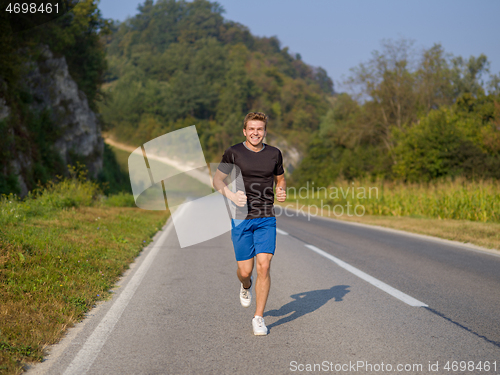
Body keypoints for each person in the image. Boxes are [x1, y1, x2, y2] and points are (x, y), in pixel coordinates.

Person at [213, 112, 286, 336]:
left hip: (266, 217)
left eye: (260, 129)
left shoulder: (274, 153)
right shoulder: (233, 152)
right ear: (245, 131)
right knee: (246, 271)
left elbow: (280, 178)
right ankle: (246, 286)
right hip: (240, 217)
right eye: (252, 129)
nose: (256, 133)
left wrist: (281, 189)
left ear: (265, 131)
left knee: (264, 265)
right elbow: (217, 180)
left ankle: (258, 318)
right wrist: (231, 196)